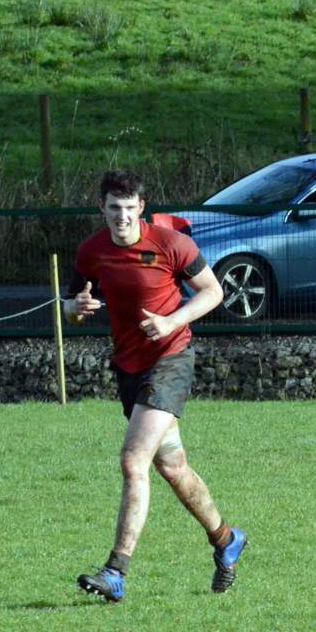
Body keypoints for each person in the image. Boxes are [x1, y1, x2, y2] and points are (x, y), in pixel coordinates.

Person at [67, 170, 247, 602]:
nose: (122, 217)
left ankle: (116, 571)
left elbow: (213, 292)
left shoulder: (171, 244)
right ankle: (226, 539)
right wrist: (76, 307)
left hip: (170, 361)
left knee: (134, 462)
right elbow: (71, 306)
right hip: (129, 368)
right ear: (102, 208)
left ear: (142, 208)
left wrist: (171, 321)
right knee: (173, 467)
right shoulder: (92, 250)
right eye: (114, 208)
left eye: (129, 208)